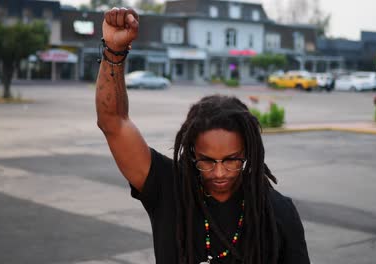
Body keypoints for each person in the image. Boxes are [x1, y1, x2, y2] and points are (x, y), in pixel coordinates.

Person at [96, 7, 310, 264]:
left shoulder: (278, 212)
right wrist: (114, 52)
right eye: (207, 161)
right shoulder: (169, 189)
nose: (219, 173)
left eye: (231, 160)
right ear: (192, 153)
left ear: (247, 154)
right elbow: (113, 123)